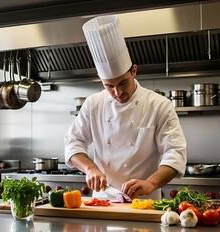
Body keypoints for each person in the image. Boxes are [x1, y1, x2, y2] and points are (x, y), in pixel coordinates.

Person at [64, 15, 187, 200]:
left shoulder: (159, 105)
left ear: (134, 71)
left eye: (122, 83)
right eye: (109, 86)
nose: (117, 92)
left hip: (143, 201)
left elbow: (175, 152)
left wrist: (151, 183)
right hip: (102, 201)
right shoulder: (93, 104)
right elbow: (73, 143)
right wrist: (90, 168)